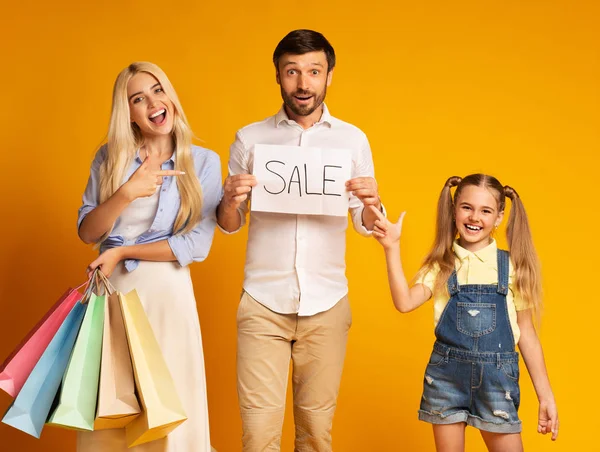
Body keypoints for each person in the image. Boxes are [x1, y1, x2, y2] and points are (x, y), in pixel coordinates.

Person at [217, 29, 384, 451]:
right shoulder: (249, 138)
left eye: (313, 71)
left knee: (315, 436)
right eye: (292, 71)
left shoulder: (352, 140)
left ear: (329, 75)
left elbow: (367, 224)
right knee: (257, 437)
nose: (303, 83)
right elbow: (230, 223)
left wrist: (371, 202)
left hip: (327, 305)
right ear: (278, 76)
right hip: (262, 303)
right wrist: (231, 200)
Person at [76, 61, 221, 452]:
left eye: (158, 90)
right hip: (113, 298)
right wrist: (127, 191)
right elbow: (87, 231)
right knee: (111, 403)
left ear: (171, 95)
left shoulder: (203, 162)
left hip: (168, 296)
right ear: (129, 114)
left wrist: (122, 249)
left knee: (171, 402)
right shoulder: (109, 158)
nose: (154, 103)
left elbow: (194, 246)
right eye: (138, 98)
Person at [371, 174, 558, 451]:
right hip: (446, 378)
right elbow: (405, 302)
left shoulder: (512, 267)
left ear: (499, 217)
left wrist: (546, 397)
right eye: (467, 207)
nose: (475, 217)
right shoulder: (442, 264)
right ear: (454, 209)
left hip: (497, 381)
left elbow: (526, 333)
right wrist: (391, 248)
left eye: (486, 211)